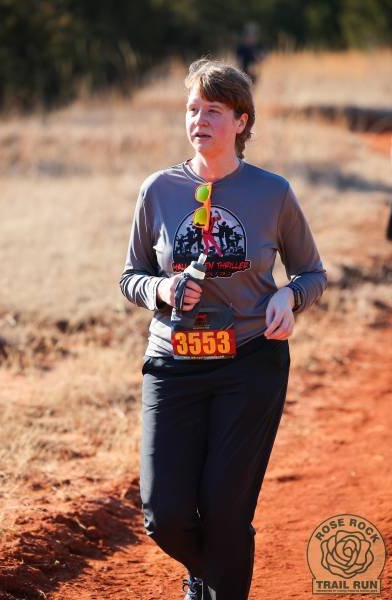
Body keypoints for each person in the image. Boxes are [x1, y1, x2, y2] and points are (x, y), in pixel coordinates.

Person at [119, 58, 327, 600]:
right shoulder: (158, 190)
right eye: (193, 109)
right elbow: (130, 275)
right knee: (164, 515)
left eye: (214, 110)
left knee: (225, 511)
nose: (200, 120)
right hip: (173, 364)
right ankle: (206, 572)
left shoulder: (272, 192)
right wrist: (162, 291)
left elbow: (312, 273)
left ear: (241, 121)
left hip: (250, 364)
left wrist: (288, 295)